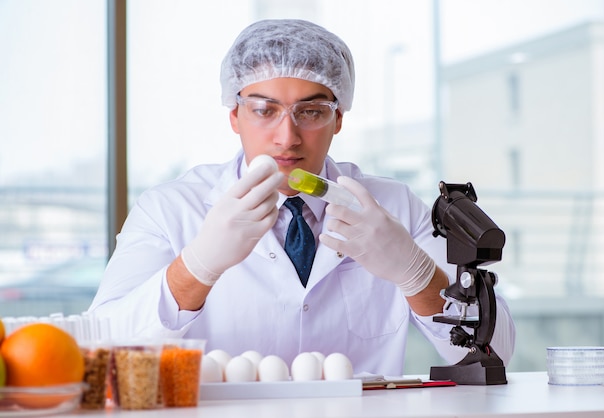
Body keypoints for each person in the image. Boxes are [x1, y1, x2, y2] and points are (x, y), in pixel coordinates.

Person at [89, 18, 515, 375]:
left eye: (311, 111)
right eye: (264, 110)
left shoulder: (394, 207)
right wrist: (196, 267)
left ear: (339, 118)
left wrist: (418, 275)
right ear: (234, 116)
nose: (287, 137)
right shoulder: (169, 209)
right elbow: (102, 349)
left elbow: (494, 355)